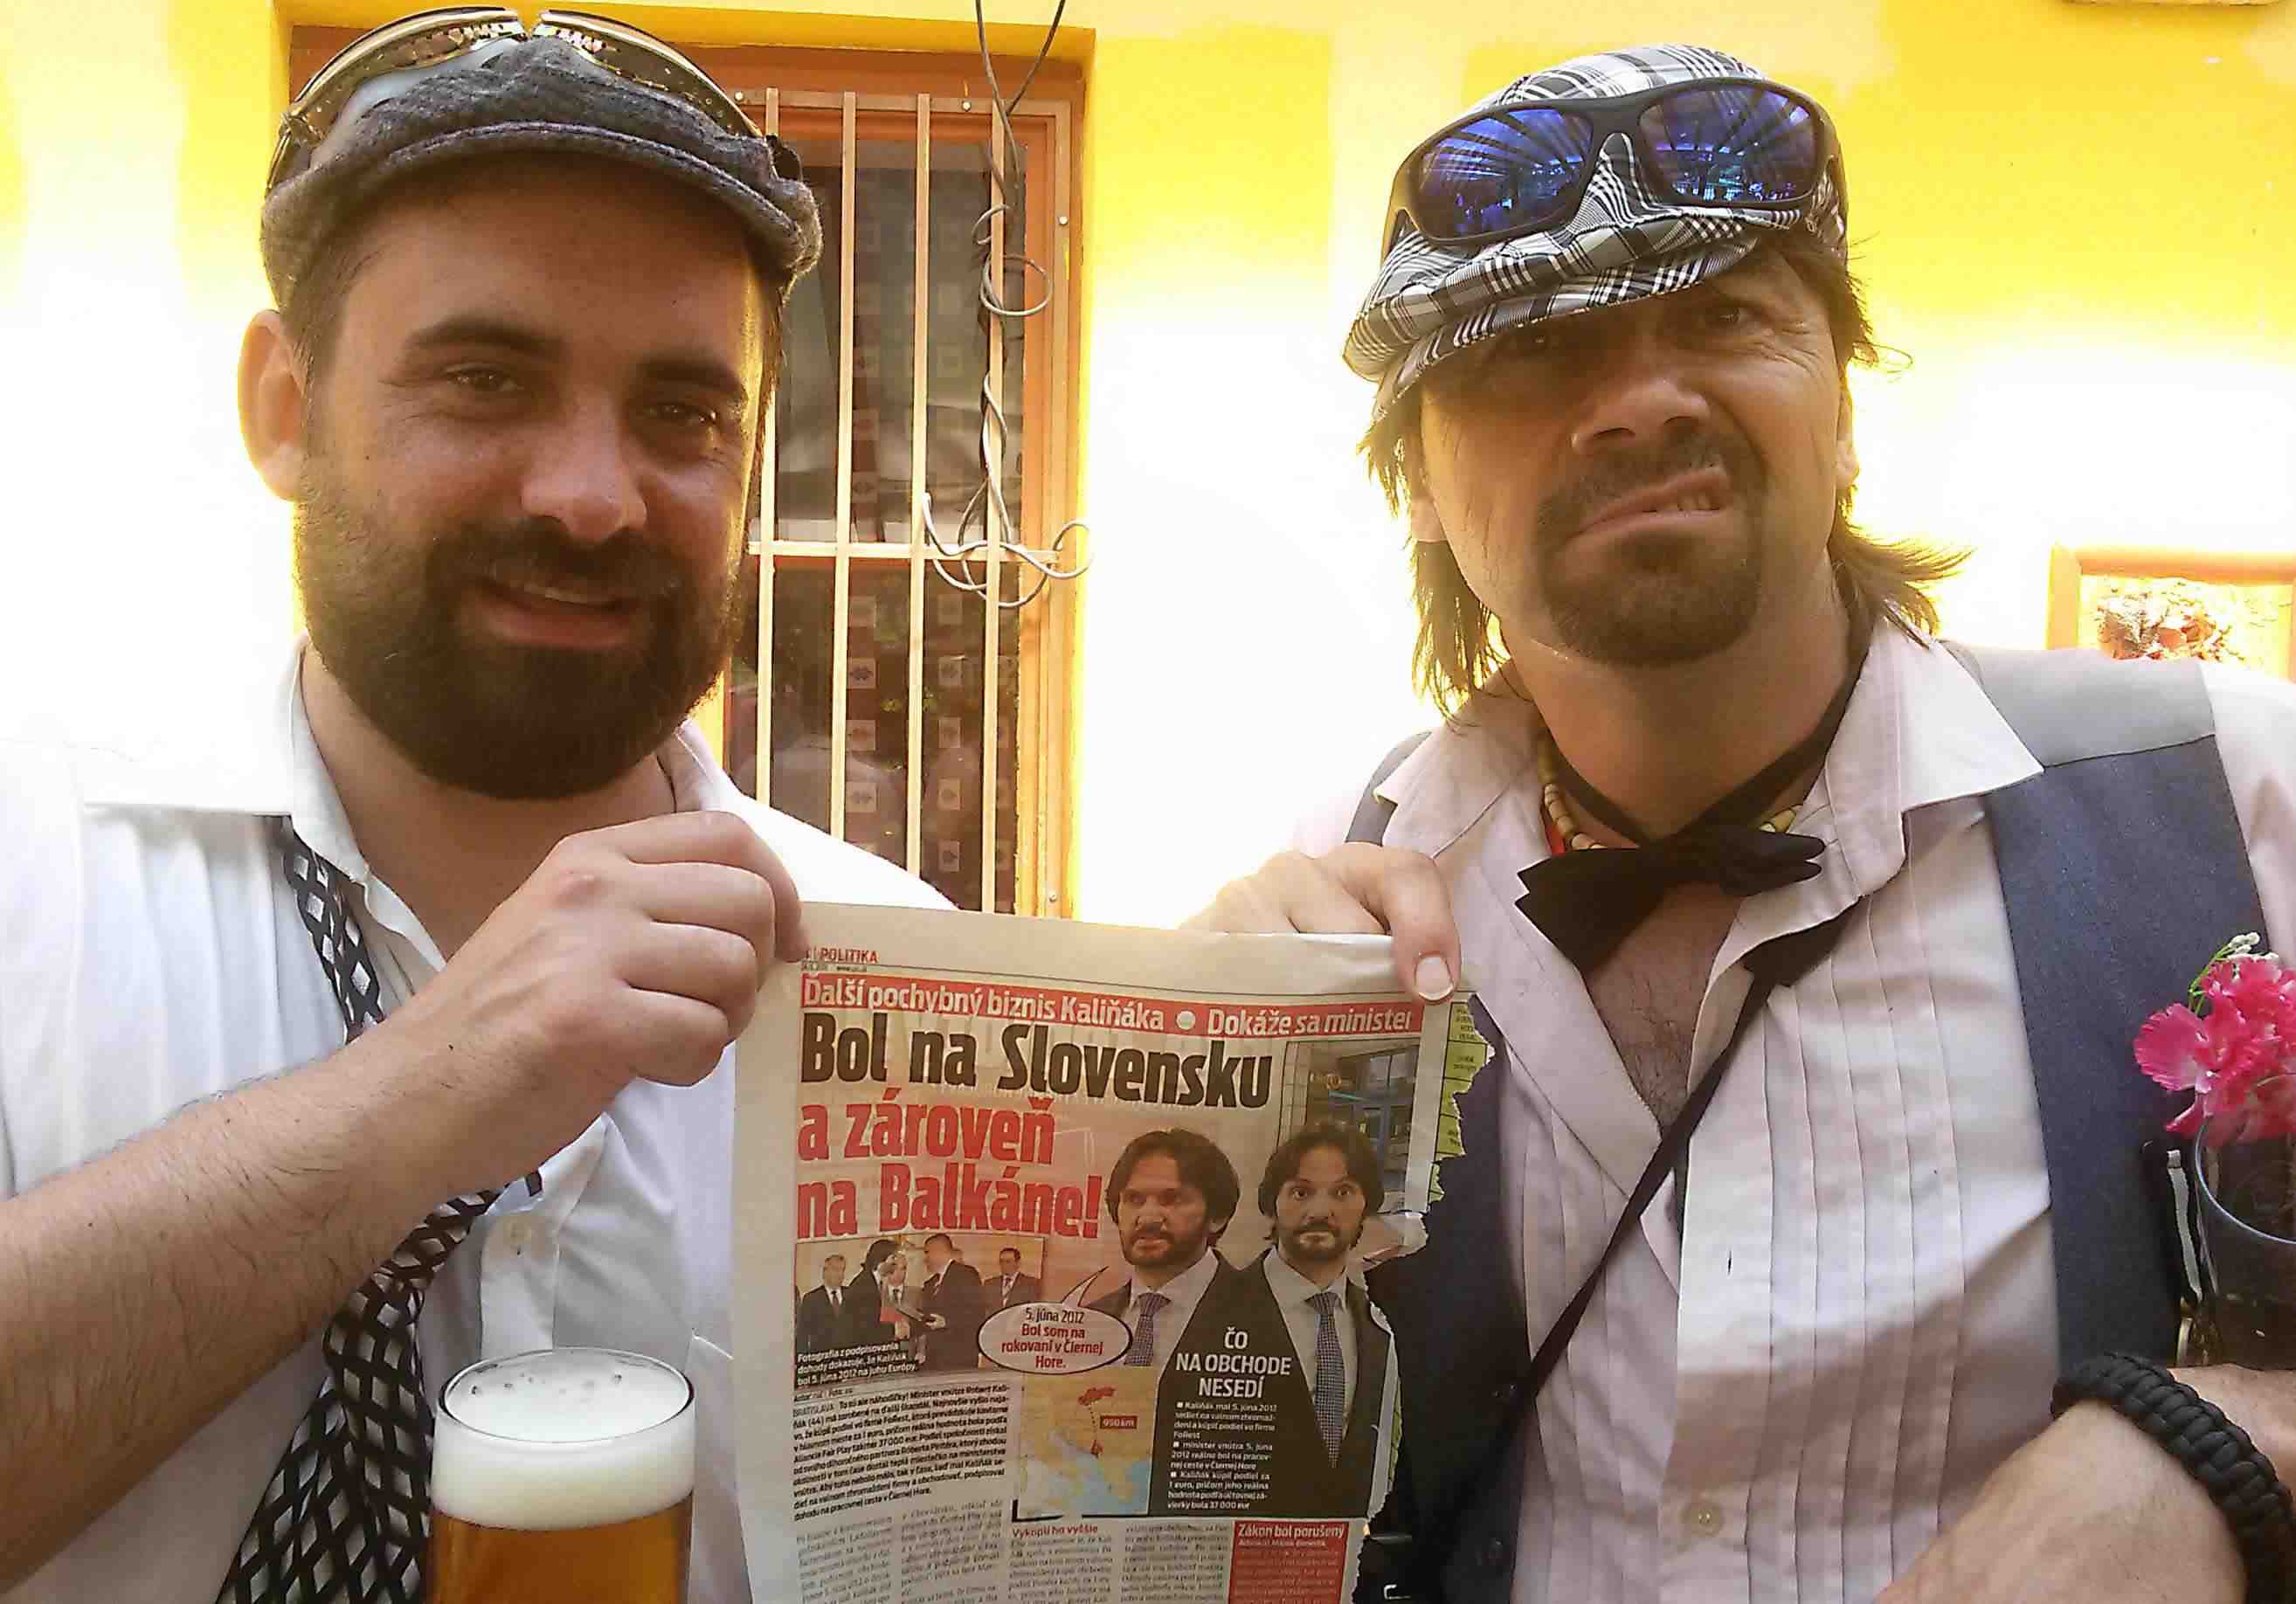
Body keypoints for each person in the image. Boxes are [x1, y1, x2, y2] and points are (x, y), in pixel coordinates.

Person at [1190, 43, 2296, 1604]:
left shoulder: (2239, 796)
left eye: (1722, 317)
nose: (1640, 400)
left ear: (1842, 412)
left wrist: (2230, 1438)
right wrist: (1178, 1079)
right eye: (1532, 351)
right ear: (1415, 485)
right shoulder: (1335, 883)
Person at [0, 15, 943, 1603]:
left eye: (682, 413)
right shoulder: (31, 871)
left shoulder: (894, 966)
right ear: (283, 406)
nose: (590, 494)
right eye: (485, 380)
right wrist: (407, 1105)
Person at [1163, 1124, 1392, 1518]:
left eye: (1342, 1192)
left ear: (1366, 1206)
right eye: (1301, 1192)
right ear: (1272, 1204)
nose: (1319, 1211)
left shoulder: (1380, 1327)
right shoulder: (1205, 1307)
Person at [1086, 1129, 1242, 1375]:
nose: (1148, 1218)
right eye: (1134, 1199)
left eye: (1172, 1199)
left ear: (1217, 1216)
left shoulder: (1265, 1313)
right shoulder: (1091, 1320)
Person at [916, 1234, 987, 1372]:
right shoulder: (930, 1283)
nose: (925, 1259)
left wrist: (947, 1322)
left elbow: (977, 1313)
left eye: (927, 1252)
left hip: (958, 1356)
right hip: (934, 1358)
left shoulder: (966, 1274)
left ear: (939, 1251)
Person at [797, 1254, 852, 1356]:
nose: (840, 1274)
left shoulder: (852, 1294)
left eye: (842, 1270)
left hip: (848, 1358)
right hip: (821, 1358)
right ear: (825, 1273)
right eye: (836, 1269)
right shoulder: (811, 1299)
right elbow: (802, 1335)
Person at [990, 1245, 1042, 1310]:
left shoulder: (1031, 1284)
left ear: (1018, 1263)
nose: (1004, 1265)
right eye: (1001, 1261)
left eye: (1008, 1261)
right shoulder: (990, 1284)